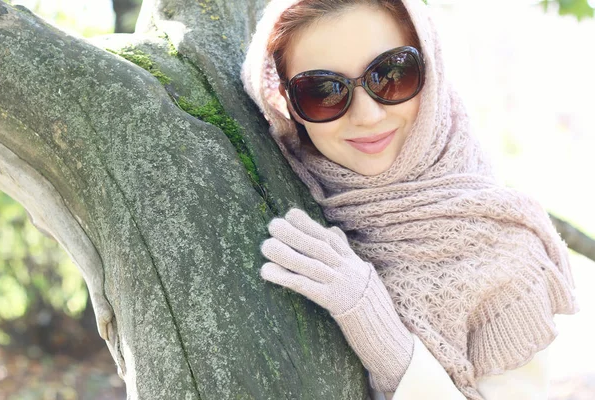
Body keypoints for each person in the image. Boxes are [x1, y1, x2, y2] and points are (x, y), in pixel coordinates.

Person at [240, 0, 579, 399]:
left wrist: (382, 336)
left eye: (391, 74)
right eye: (322, 91)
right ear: (287, 105)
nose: (367, 116)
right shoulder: (284, 186)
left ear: (430, 72)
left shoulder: (505, 249)